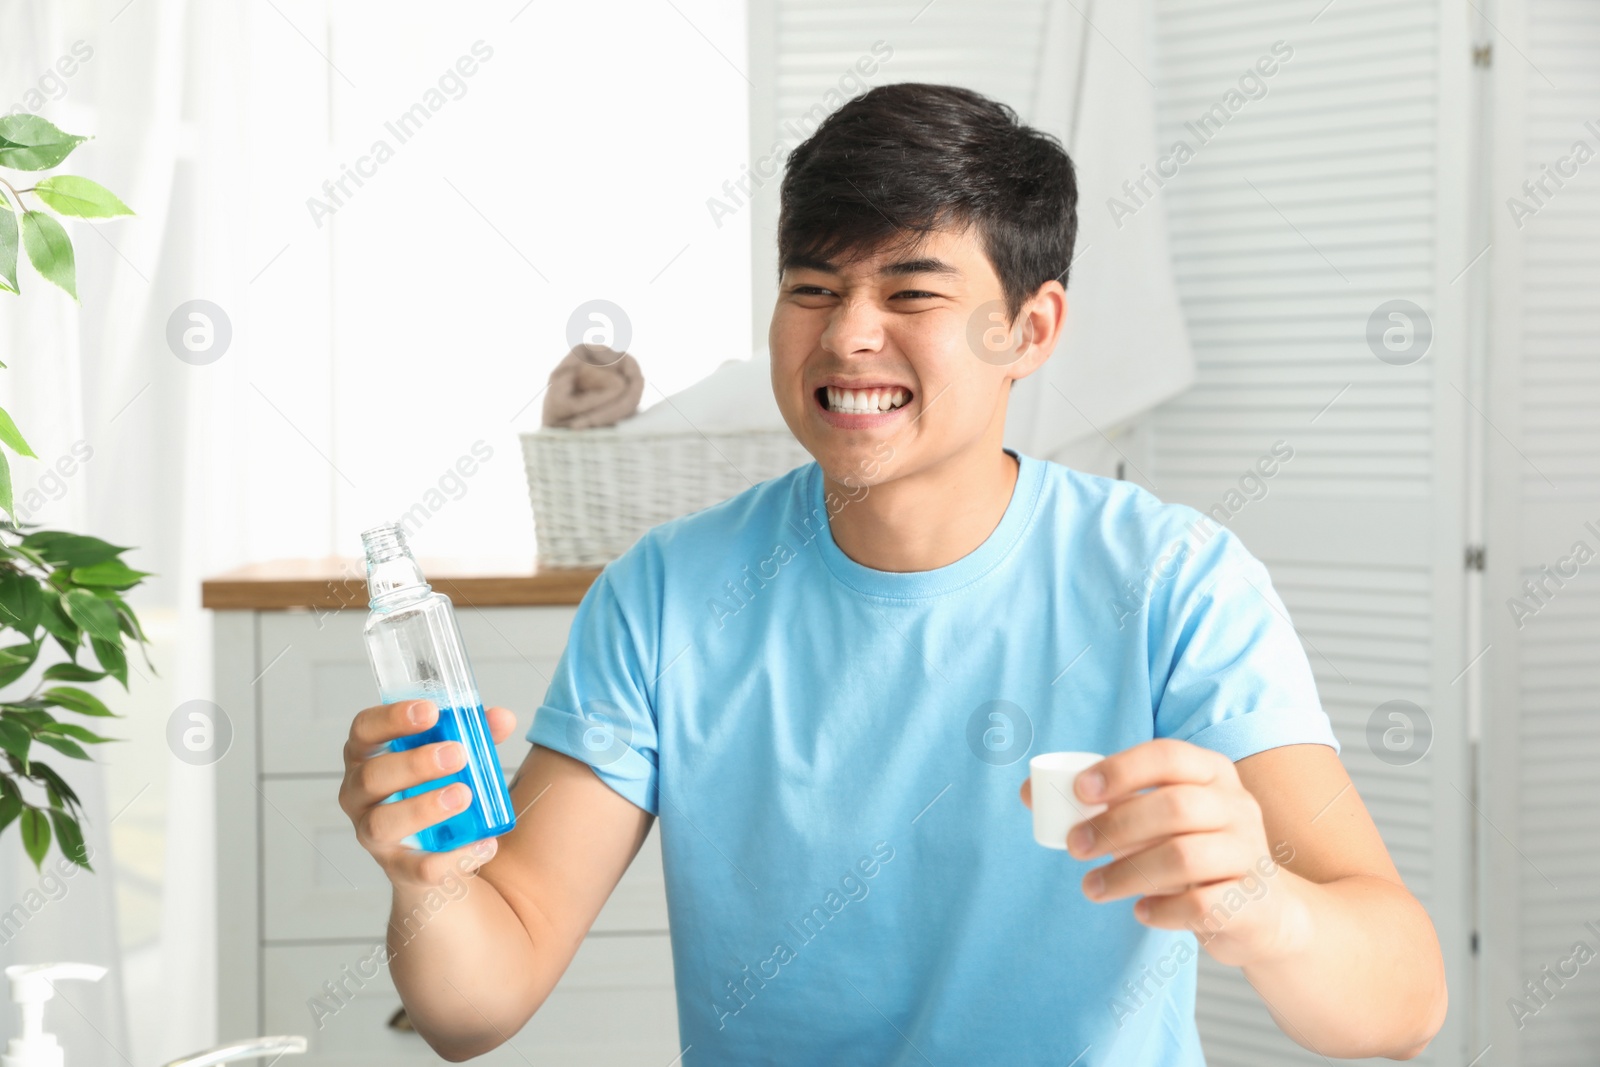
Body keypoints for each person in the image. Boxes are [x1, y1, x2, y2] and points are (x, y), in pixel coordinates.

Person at [339, 82, 1446, 1064]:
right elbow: (475, 1004)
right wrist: (427, 879)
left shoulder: (1175, 582)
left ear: (1030, 326)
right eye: (812, 288)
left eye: (910, 294)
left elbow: (1401, 1003)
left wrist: (1260, 904)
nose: (847, 336)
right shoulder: (665, 594)